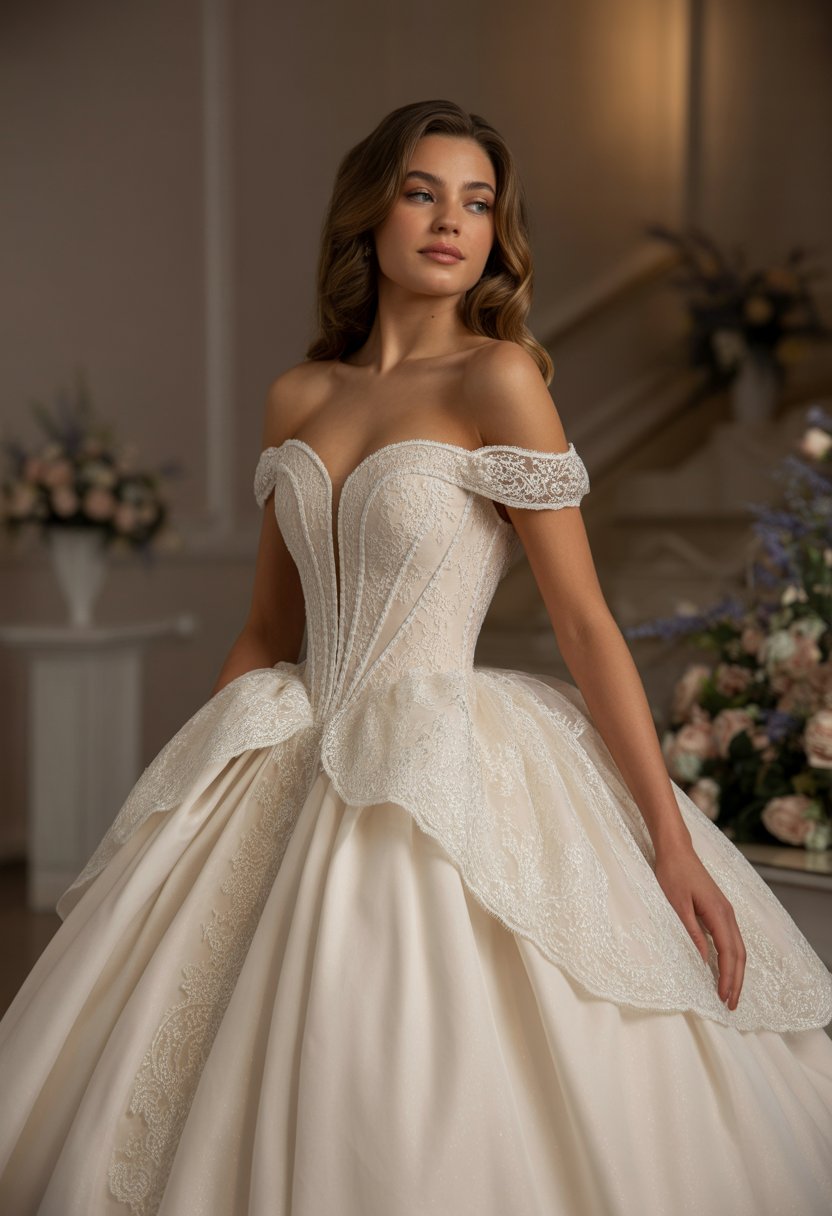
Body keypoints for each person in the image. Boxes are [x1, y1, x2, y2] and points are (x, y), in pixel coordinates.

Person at [1, 98, 831, 1216]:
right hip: (287, 743)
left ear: (498, 232)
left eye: (478, 201)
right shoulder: (298, 395)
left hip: (431, 762)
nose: (452, 221)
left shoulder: (500, 380)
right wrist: (186, 793)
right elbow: (264, 629)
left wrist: (668, 841)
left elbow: (583, 622)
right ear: (369, 212)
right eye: (422, 191)